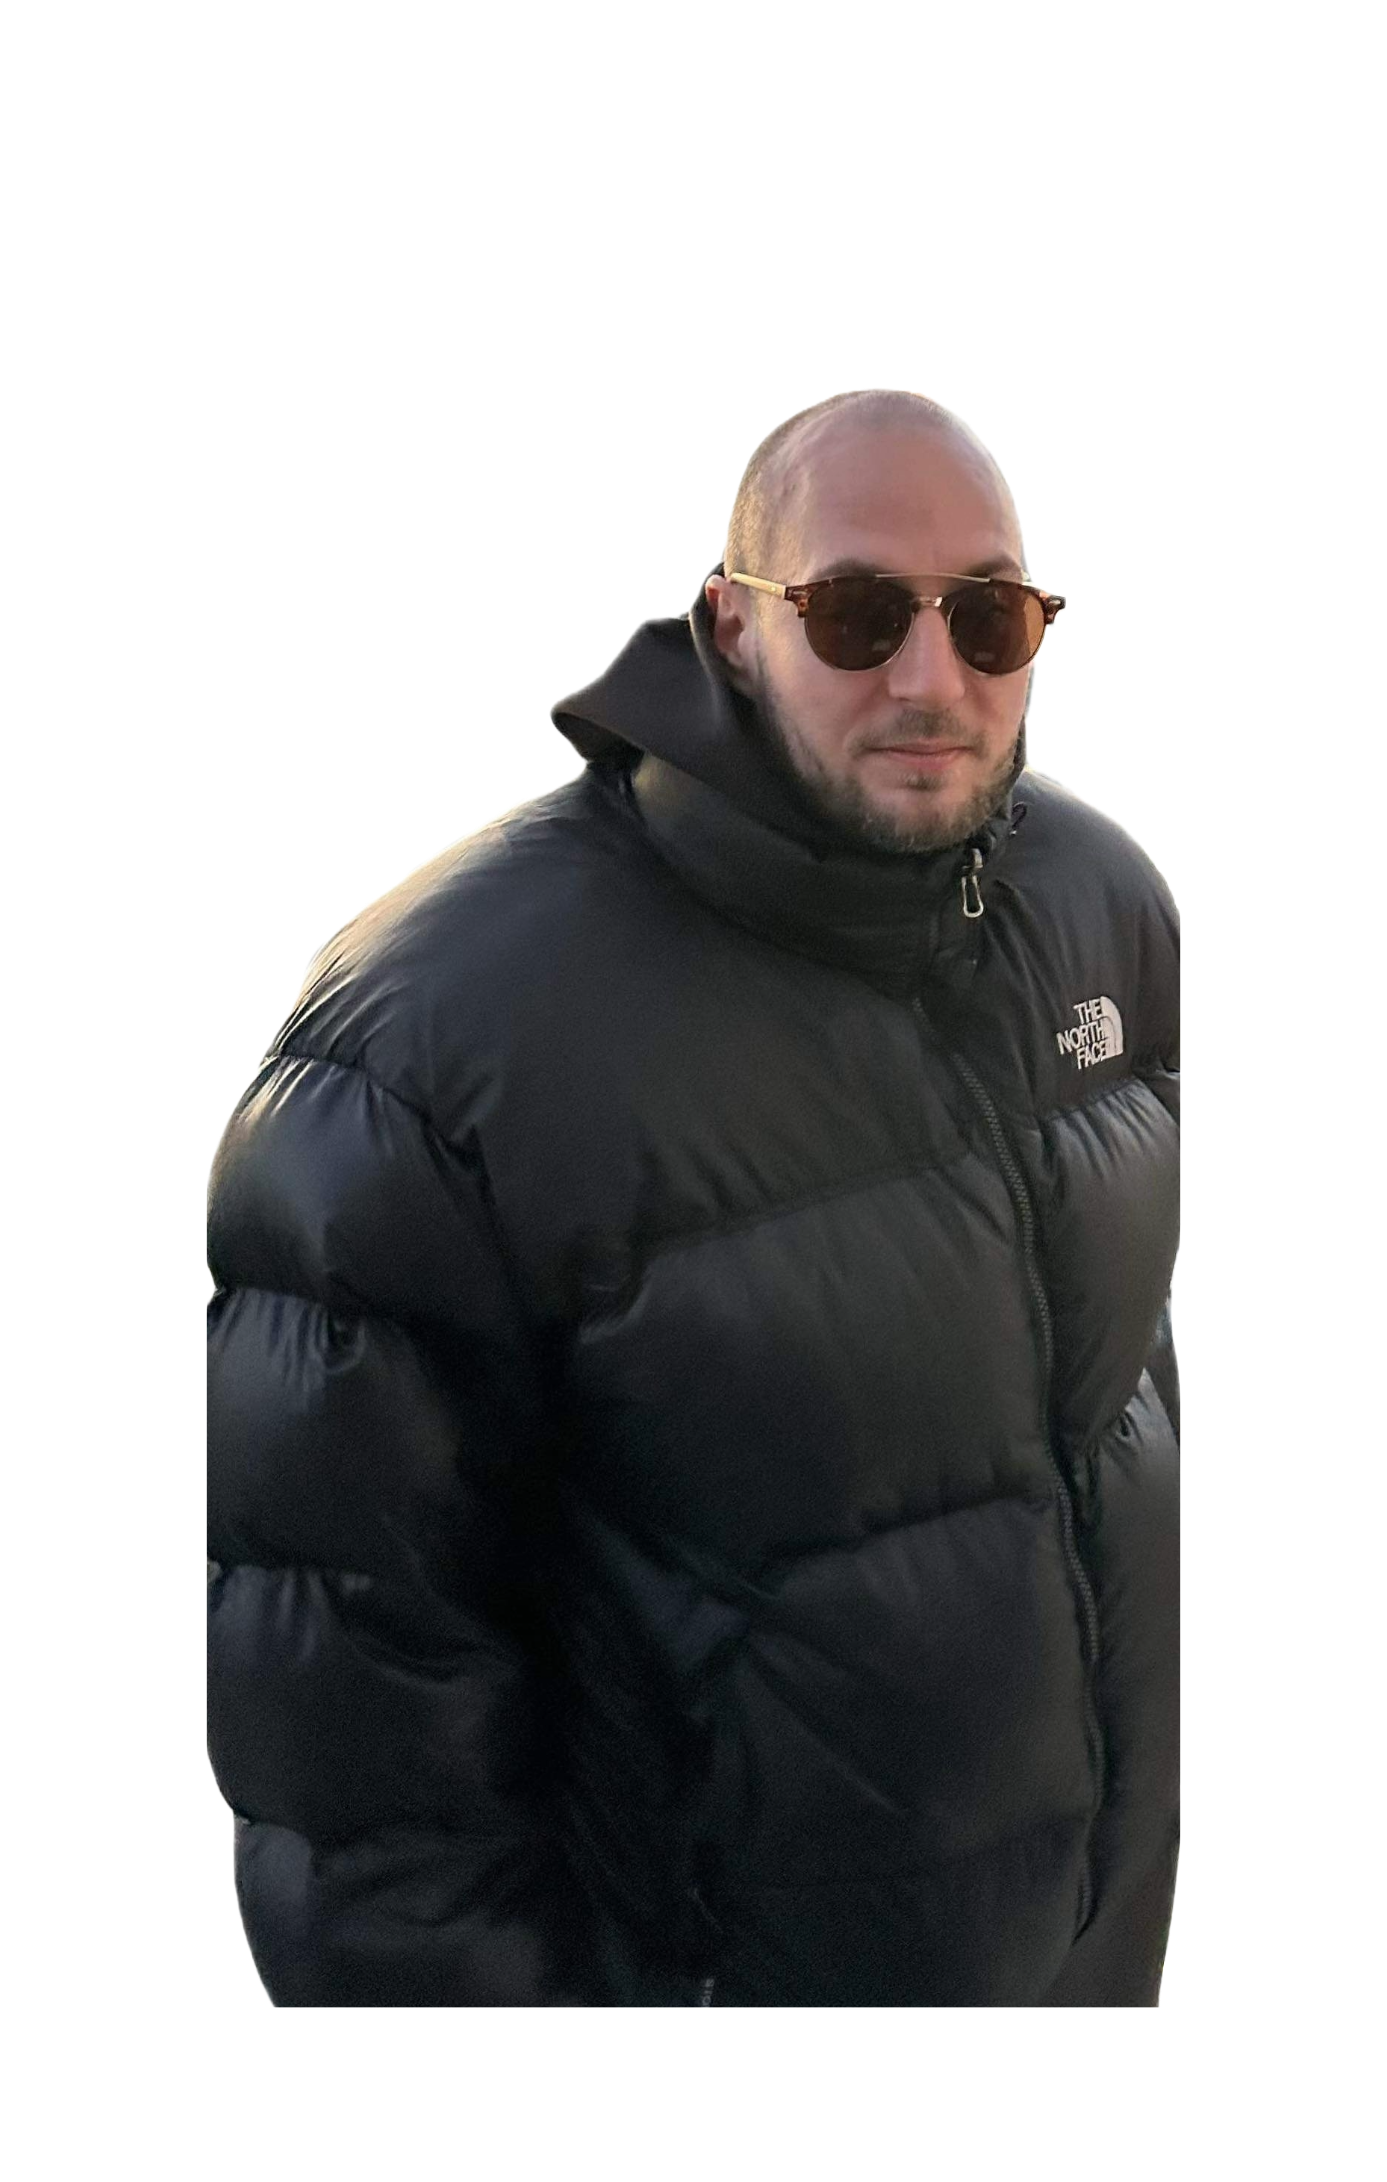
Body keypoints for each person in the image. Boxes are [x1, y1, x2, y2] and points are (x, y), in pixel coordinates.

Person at [206, 385, 1180, 2007]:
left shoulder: (1104, 906)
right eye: (855, 615)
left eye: (988, 617)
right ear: (731, 626)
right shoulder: (436, 1044)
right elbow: (354, 1746)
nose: (929, 678)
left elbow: (1108, 1407)